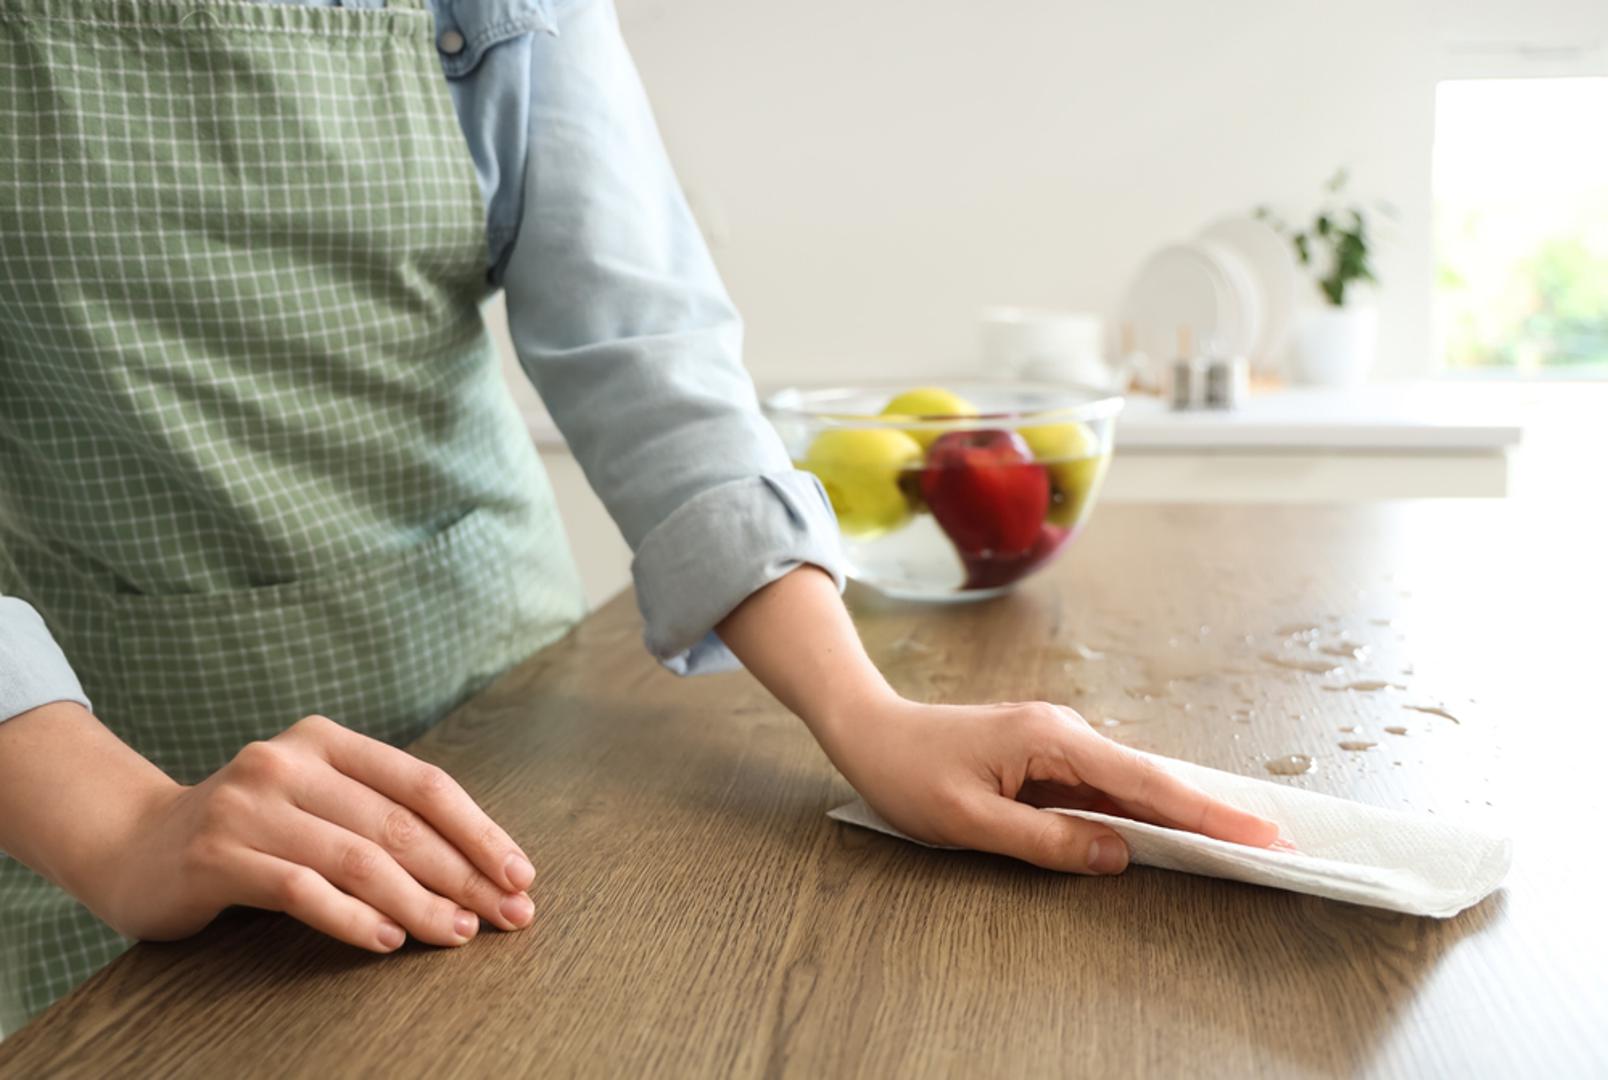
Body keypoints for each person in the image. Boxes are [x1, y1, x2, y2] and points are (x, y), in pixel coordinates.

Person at [0, 0, 1279, 1033]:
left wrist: (865, 711)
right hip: (92, 804)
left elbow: (643, 350)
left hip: (509, 753)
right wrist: (121, 824)